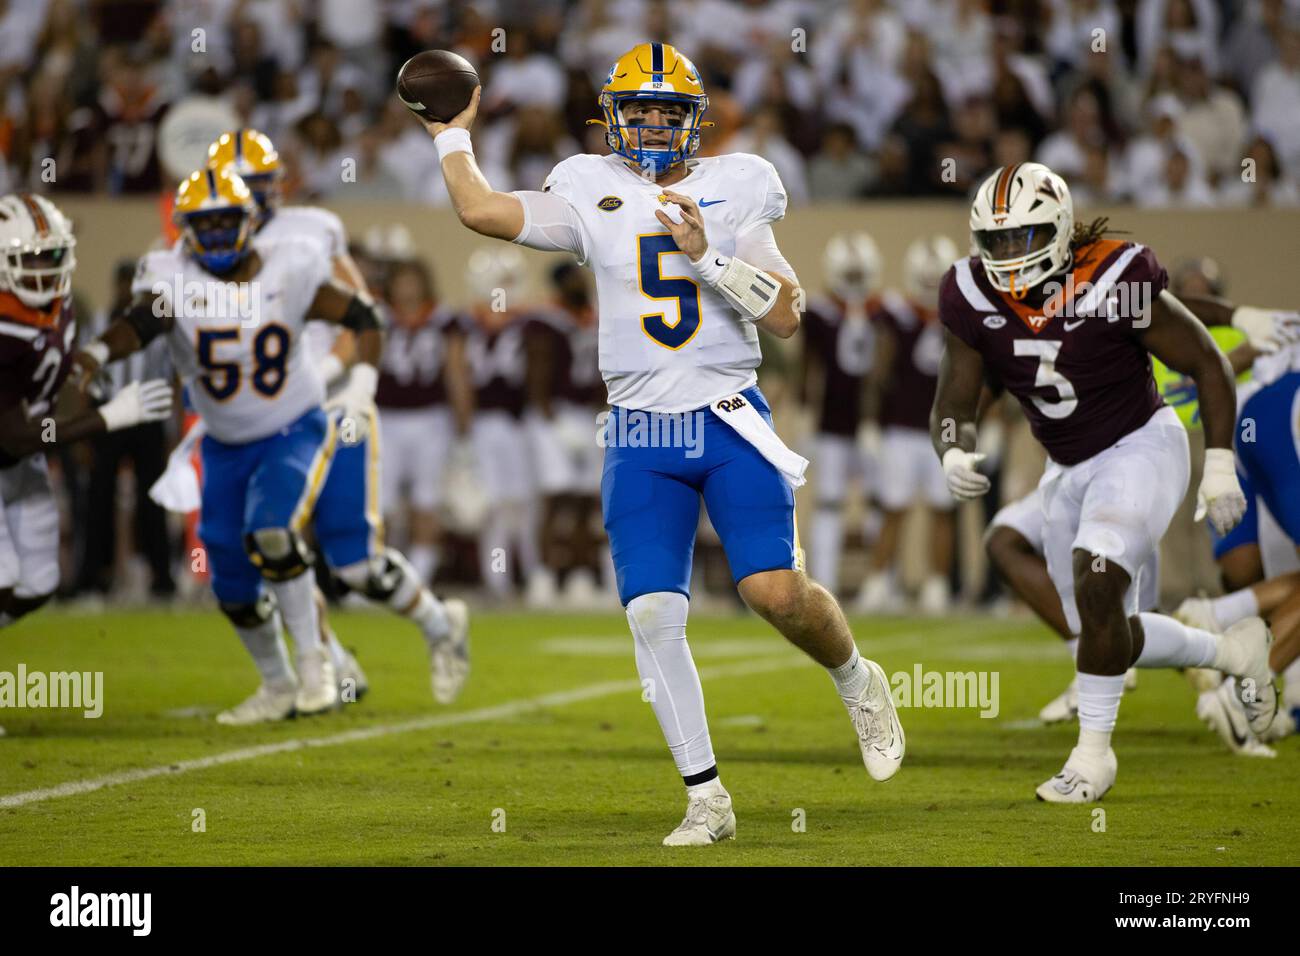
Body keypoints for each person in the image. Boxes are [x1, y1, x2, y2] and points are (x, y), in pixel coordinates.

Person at [418, 42, 905, 845]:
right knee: (652, 612)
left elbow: (785, 313)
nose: (649, 125)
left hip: (726, 416)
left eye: (665, 111)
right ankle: (707, 797)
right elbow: (483, 212)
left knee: (774, 594)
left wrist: (706, 256)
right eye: (636, 110)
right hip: (640, 430)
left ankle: (856, 678)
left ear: (694, 120)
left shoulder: (739, 182)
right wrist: (450, 134)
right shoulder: (586, 184)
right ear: (610, 117)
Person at [931, 161, 1282, 802]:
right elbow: (954, 403)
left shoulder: (1116, 274)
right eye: (997, 241)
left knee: (1098, 584)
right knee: (1106, 627)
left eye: (1024, 238)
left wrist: (1222, 465)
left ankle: (1093, 759)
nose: (1008, 257)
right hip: (1064, 468)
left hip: (1141, 444)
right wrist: (954, 452)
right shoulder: (969, 293)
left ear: (1061, 230)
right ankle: (1231, 653)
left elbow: (1207, 363)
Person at [72, 168, 385, 724]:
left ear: (248, 222)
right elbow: (142, 323)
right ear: (185, 228)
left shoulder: (291, 266)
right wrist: (96, 353)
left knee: (272, 533)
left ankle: (318, 669)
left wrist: (361, 381)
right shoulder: (173, 279)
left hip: (292, 426)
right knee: (232, 583)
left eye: (226, 223)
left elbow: (363, 315)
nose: (216, 236)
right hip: (222, 443)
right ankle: (277, 684)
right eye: (204, 224)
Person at [207, 129, 470, 707]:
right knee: (271, 537)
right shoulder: (203, 247)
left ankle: (436, 622)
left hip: (330, 404)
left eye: (259, 184)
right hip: (262, 420)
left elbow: (362, 315)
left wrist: (334, 374)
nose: (251, 197)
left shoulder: (310, 229)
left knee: (353, 564)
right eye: (240, 186)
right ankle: (325, 666)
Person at [0, 194, 172, 641]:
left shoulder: (56, 305)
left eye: (52, 256)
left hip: (21, 463)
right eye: (31, 259)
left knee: (37, 583)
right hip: (14, 448)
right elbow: (15, 437)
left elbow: (43, 380)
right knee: (1, 576)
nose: (45, 270)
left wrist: (83, 365)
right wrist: (109, 418)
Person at [860, 235, 960, 614]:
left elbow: (976, 373)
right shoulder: (895, 313)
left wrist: (986, 420)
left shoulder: (960, 318)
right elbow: (878, 369)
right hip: (901, 428)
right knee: (893, 508)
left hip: (942, 430)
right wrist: (869, 420)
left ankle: (937, 584)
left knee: (941, 510)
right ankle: (878, 580)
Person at [800, 232, 880, 596]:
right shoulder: (818, 313)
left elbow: (884, 372)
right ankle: (825, 584)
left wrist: (876, 419)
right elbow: (808, 367)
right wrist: (805, 415)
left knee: (880, 502)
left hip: (874, 426)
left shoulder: (881, 312)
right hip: (831, 424)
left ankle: (882, 583)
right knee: (829, 503)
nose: (852, 283)